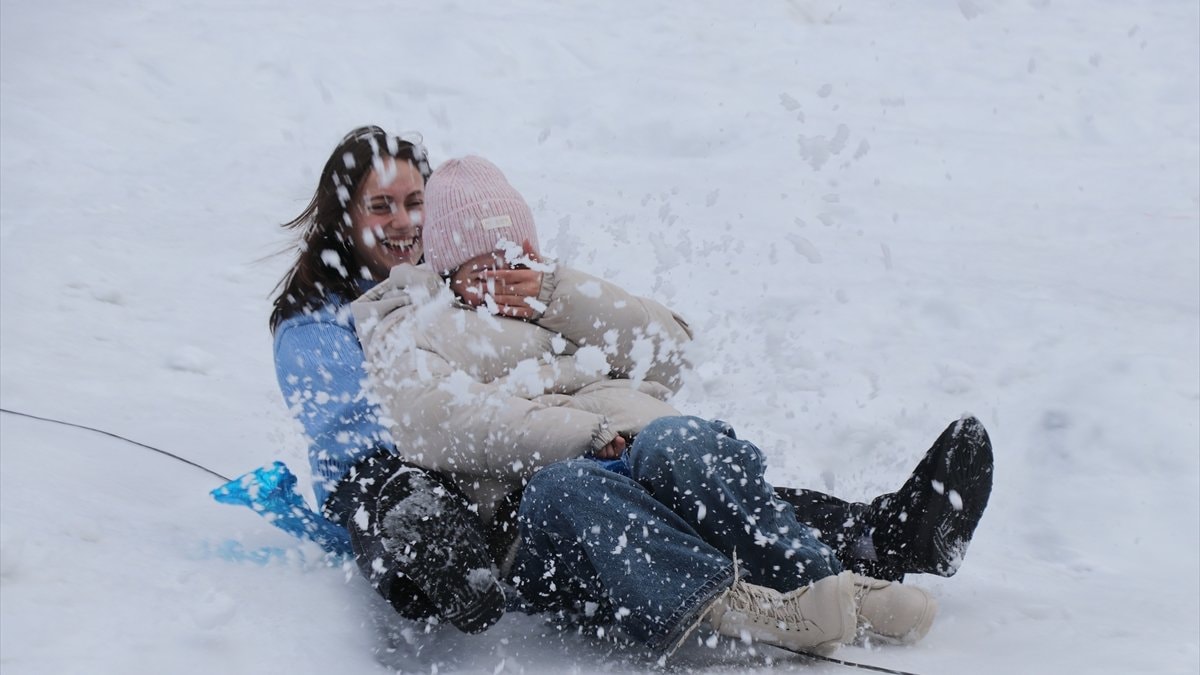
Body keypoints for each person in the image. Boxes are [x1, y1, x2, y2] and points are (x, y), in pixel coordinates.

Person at [267, 127, 993, 640]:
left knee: (679, 450)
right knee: (588, 483)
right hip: (413, 486)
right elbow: (377, 436)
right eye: (381, 206)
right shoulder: (352, 318)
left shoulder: (523, 290)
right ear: (346, 216)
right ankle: (783, 591)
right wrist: (404, 498)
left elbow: (664, 351)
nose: (403, 221)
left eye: (415, 203)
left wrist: (556, 292)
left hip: (592, 451)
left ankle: (866, 548)